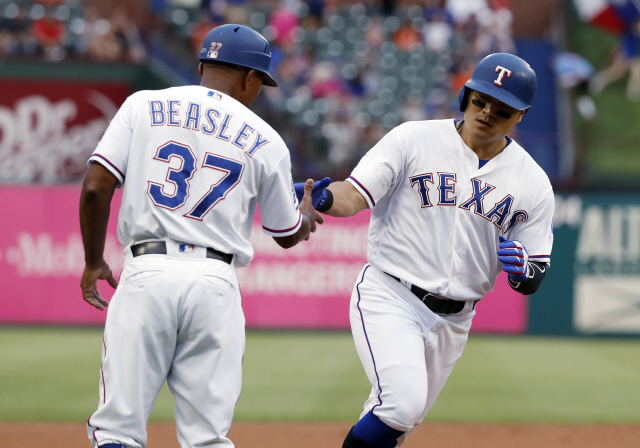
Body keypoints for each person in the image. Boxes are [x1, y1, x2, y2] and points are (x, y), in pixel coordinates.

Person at [79, 24, 323, 448]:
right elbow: (284, 233)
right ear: (249, 78)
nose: (258, 90)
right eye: (260, 82)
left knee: (117, 429)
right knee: (206, 438)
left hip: (147, 272)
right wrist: (305, 217)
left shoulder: (144, 104)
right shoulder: (266, 138)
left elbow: (96, 187)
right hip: (214, 284)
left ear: (202, 65)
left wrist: (93, 260)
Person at [297, 53, 554, 448]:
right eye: (480, 100)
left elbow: (533, 273)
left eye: (501, 110)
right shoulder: (412, 139)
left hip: (456, 319)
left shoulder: (533, 182)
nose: (486, 112)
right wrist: (325, 198)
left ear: (520, 116)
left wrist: (524, 271)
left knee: (396, 426)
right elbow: (354, 195)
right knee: (401, 406)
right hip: (392, 294)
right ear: (465, 95)